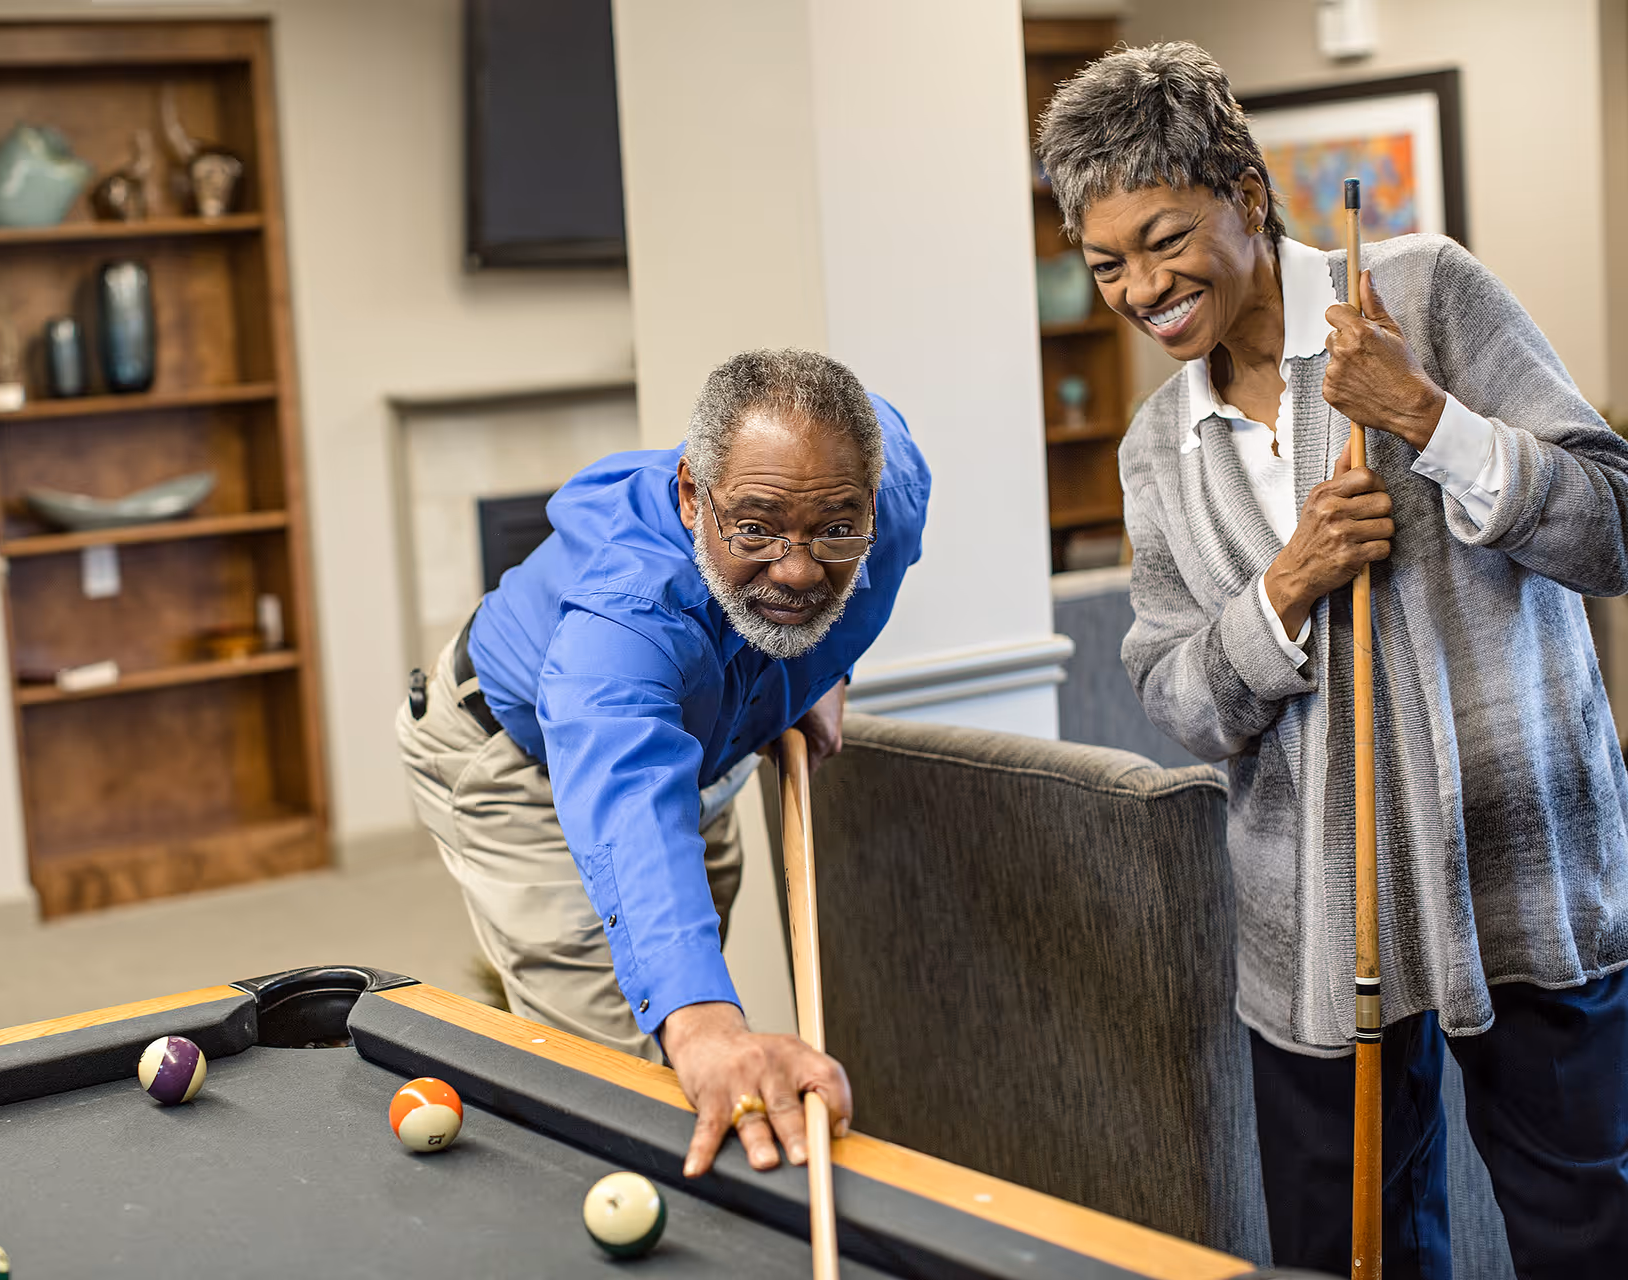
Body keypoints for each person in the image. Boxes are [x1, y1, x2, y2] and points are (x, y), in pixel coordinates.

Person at [1037, 42, 1628, 1279]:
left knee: (1590, 1234)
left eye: (1163, 237)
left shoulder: (1424, 294)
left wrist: (1430, 417)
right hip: (1310, 920)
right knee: (1346, 1254)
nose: (1141, 287)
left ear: (1246, 197)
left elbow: (1611, 527)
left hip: (1517, 864)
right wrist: (1285, 585)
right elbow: (1178, 698)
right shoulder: (1156, 447)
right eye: (1106, 265)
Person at [396, 349, 931, 1179]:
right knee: (625, 1088)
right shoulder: (622, 624)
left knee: (681, 1034)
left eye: (834, 531)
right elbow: (629, 809)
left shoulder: (888, 494)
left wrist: (820, 669)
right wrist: (705, 1023)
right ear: (692, 497)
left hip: (702, 739)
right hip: (516, 764)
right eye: (754, 528)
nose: (796, 567)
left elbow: (828, 554)